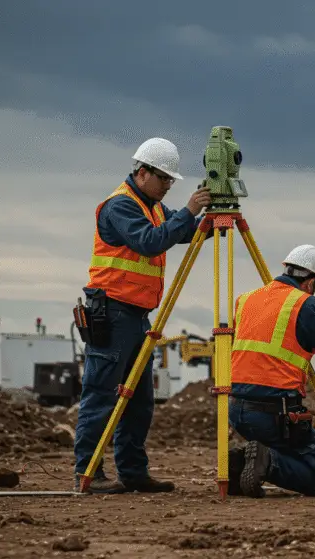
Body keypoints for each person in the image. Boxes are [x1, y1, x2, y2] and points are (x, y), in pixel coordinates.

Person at [74, 137, 213, 494]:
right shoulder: (120, 206)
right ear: (143, 171)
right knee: (102, 395)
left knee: (139, 403)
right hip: (113, 312)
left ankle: (133, 472)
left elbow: (176, 233)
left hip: (137, 317)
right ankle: (88, 473)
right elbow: (150, 241)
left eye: (170, 180)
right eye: (164, 178)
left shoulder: (150, 205)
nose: (168, 185)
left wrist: (207, 222)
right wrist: (189, 211)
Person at [226, 244, 315, 498]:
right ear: (310, 282)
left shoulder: (246, 299)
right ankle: (266, 461)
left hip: (236, 410)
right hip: (275, 415)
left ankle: (241, 464)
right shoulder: (305, 304)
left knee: (282, 446)